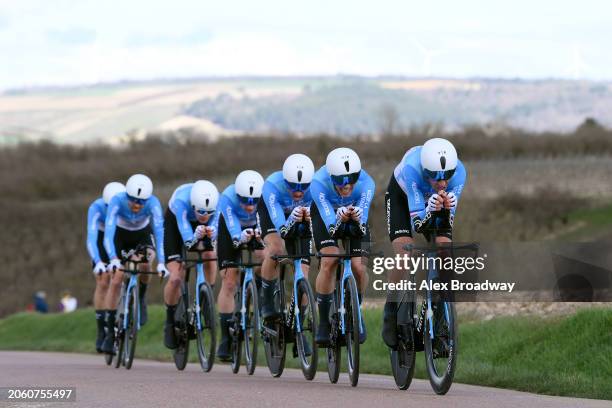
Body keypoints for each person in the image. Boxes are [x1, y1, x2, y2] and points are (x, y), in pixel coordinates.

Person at [382, 137, 466, 349]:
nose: (442, 183)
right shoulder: (412, 169)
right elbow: (418, 223)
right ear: (425, 170)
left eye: (446, 177)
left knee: (445, 254)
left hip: (433, 202)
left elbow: (447, 221)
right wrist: (431, 208)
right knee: (404, 255)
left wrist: (443, 208)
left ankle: (438, 324)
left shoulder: (459, 173)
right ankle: (390, 311)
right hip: (403, 198)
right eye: (436, 178)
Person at [310, 147, 375, 346]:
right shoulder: (318, 182)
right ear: (331, 177)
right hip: (325, 216)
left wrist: (356, 217)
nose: (346, 187)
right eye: (340, 182)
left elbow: (362, 218)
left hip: (355, 216)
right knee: (330, 260)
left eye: (350, 181)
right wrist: (337, 218)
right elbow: (330, 222)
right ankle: (323, 321)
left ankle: (357, 310)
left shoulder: (366, 183)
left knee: (359, 267)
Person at [100, 174, 169, 354]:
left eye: (141, 202)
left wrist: (162, 262)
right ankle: (109, 331)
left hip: (142, 234)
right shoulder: (117, 200)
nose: (137, 205)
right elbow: (108, 232)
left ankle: (141, 297)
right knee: (116, 279)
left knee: (147, 263)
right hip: (120, 235)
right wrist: (113, 258)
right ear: (127, 195)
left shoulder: (153, 203)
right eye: (133, 200)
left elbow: (159, 232)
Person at [162, 180, 219, 349]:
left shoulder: (218, 203)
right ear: (193, 204)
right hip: (177, 221)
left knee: (210, 255)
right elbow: (187, 237)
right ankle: (170, 321)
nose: (204, 215)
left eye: (208, 212)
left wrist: (211, 233)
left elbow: (216, 227)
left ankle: (206, 299)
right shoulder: (181, 202)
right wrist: (194, 238)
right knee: (175, 278)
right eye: (201, 211)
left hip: (202, 226)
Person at [215, 170, 265, 361]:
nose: (250, 206)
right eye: (245, 200)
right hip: (231, 229)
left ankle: (256, 288)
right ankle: (226, 338)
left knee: (265, 255)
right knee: (228, 281)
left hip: (257, 228)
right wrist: (239, 237)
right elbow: (232, 226)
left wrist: (260, 234)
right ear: (238, 196)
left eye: (254, 201)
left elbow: (268, 222)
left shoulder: (265, 196)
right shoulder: (227, 197)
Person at [86, 181, 125, 352]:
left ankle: (124, 309)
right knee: (103, 281)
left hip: (120, 235)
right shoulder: (96, 208)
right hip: (102, 239)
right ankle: (101, 329)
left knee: (120, 276)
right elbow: (92, 238)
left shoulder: (126, 205)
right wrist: (97, 261)